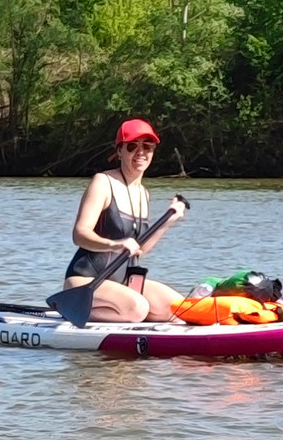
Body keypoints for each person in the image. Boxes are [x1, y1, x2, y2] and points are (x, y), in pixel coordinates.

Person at [52, 121, 190, 325]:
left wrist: (167, 222)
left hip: (123, 283)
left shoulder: (144, 193)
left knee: (179, 308)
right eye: (132, 146)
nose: (141, 152)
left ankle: (129, 317)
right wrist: (115, 244)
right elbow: (79, 234)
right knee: (138, 308)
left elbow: (139, 250)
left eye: (147, 146)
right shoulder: (103, 182)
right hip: (85, 282)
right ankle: (70, 310)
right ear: (120, 151)